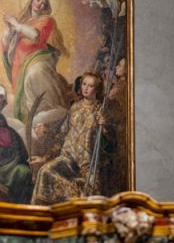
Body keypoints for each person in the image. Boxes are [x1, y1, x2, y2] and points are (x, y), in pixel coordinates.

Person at [32, 72, 113, 204]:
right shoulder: (74, 107)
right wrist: (45, 157)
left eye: (90, 86)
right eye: (84, 84)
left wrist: (104, 126)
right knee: (45, 171)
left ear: (97, 89)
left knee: (92, 191)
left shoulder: (101, 110)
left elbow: (110, 142)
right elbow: (62, 135)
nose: (86, 88)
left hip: (88, 163)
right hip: (67, 159)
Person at [2, 0, 73, 123]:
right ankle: (34, 119)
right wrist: (9, 30)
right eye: (38, 0)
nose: (40, 4)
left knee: (36, 73)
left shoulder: (46, 19)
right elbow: (7, 44)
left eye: (43, 3)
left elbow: (34, 35)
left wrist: (15, 24)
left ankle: (49, 111)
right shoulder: (23, 22)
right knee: (25, 96)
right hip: (19, 62)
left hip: (37, 57)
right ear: (31, 1)